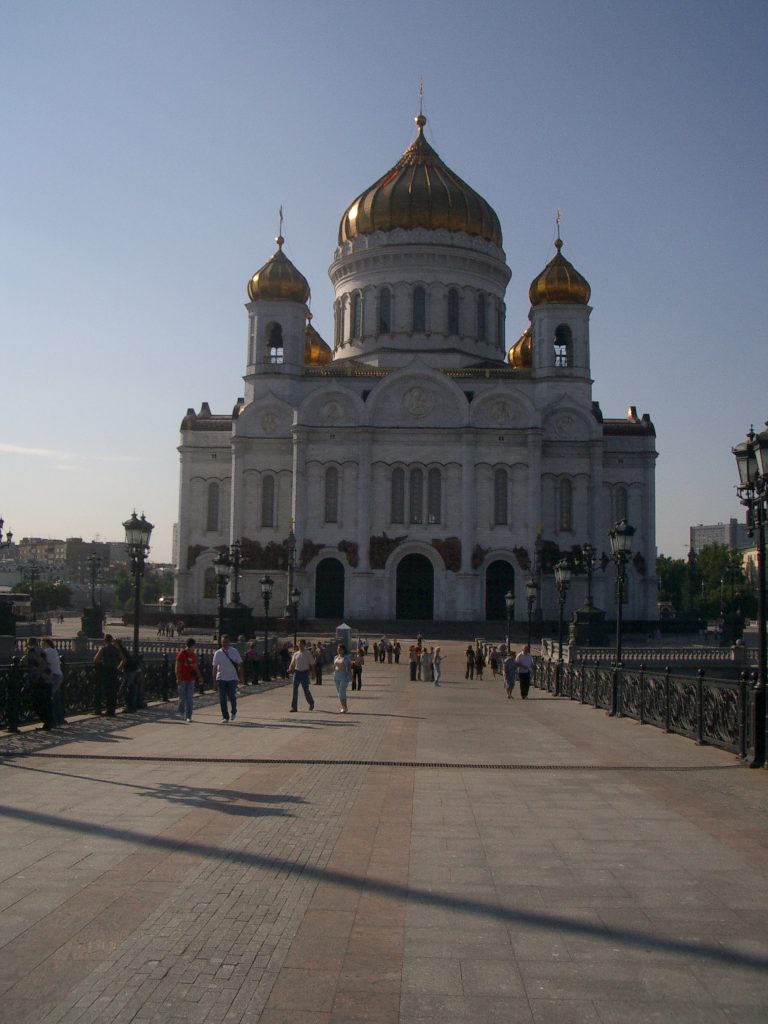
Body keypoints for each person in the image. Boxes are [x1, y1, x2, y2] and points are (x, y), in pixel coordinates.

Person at [212, 634, 243, 722]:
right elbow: (214, 667)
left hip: (232, 678)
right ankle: (225, 716)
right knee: (222, 698)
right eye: (223, 642)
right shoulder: (218, 653)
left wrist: (241, 677)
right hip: (221, 678)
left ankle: (234, 711)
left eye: (226, 642)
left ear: (229, 642)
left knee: (232, 697)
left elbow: (240, 664)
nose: (224, 644)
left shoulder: (234, 651)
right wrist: (214, 680)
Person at [24, 637, 53, 729]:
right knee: (46, 702)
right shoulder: (41, 650)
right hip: (48, 679)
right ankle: (48, 723)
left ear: (29, 643)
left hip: (40, 680)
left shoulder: (32, 650)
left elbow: (24, 661)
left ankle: (46, 722)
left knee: (37, 702)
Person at [176, 637, 203, 721]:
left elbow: (195, 666)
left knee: (189, 698)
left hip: (191, 679)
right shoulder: (181, 654)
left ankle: (188, 716)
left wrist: (199, 676)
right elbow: (177, 666)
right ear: (191, 646)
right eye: (193, 647)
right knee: (182, 697)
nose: (194, 648)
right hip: (183, 679)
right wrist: (178, 677)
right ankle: (181, 712)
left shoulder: (193, 655)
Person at [94, 634, 121, 716]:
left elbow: (95, 659)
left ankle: (107, 710)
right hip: (114, 671)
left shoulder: (103, 649)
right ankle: (112, 710)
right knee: (113, 691)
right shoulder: (116, 649)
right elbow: (123, 659)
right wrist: (118, 668)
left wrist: (102, 663)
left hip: (106, 671)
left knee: (107, 691)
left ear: (104, 640)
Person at [41, 637, 65, 727]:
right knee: (56, 699)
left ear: (46, 644)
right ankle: (59, 719)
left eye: (42, 644)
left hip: (53, 676)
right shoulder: (54, 651)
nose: (41, 646)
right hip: (59, 675)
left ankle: (53, 721)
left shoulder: (47, 651)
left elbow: (44, 662)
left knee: (50, 699)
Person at [288, 638, 315, 712]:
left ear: (304, 645)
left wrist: (313, 674)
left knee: (306, 690)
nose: (300, 645)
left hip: (304, 673)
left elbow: (312, 664)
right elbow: (292, 663)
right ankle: (294, 707)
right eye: (299, 644)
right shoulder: (296, 654)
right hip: (297, 673)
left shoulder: (308, 653)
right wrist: (290, 669)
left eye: (301, 644)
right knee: (295, 690)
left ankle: (311, 702)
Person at [115, 638, 141, 712]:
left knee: (126, 688)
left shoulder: (120, 650)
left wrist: (118, 669)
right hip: (132, 670)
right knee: (130, 688)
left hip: (130, 671)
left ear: (117, 644)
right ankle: (131, 706)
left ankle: (129, 706)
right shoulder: (123, 649)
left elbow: (124, 660)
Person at [333, 642, 352, 713]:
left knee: (342, 691)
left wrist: (351, 677)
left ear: (344, 650)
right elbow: (334, 666)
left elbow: (349, 668)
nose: (339, 650)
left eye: (340, 649)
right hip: (336, 676)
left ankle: (345, 707)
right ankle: (343, 707)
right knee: (339, 693)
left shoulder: (346, 658)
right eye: (338, 649)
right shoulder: (335, 657)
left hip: (344, 676)